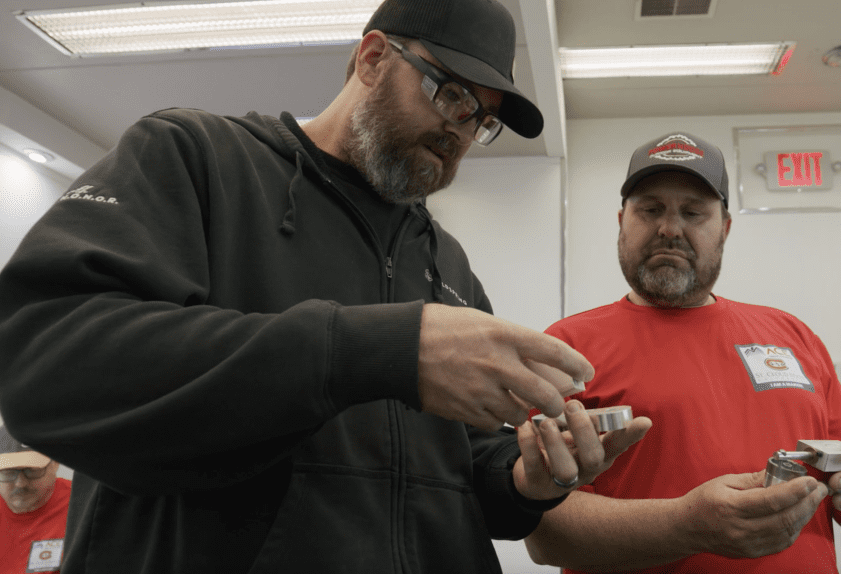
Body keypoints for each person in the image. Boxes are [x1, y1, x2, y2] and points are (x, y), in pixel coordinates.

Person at [0, 0, 649, 572]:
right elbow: (42, 362)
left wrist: (523, 479)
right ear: (371, 58)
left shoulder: (446, 265)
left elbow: (466, 469)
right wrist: (371, 349)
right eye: (451, 93)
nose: (462, 128)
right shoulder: (196, 159)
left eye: (482, 117)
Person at [524, 132, 841, 573]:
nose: (670, 228)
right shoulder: (567, 347)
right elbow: (545, 534)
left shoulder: (791, 335)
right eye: (650, 209)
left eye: (693, 212)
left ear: (724, 228)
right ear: (621, 222)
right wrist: (689, 527)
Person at [1, 425, 71, 574]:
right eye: (8, 472)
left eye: (31, 471)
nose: (20, 483)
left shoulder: (81, 505)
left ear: (55, 464)